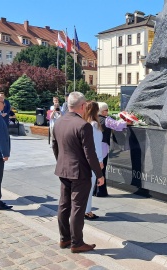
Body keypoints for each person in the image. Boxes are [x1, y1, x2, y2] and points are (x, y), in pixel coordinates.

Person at [52, 92, 104, 253]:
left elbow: (55, 146)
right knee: (78, 208)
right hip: (80, 172)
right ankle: (77, 242)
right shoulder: (83, 125)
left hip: (63, 169)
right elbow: (90, 153)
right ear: (82, 106)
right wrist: (99, 174)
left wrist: (61, 162)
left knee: (64, 205)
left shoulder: (59, 121)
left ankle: (64, 238)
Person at [96, 102, 129, 197]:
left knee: (96, 169)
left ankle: (95, 190)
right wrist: (128, 121)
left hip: (94, 146)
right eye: (106, 110)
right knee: (102, 169)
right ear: (102, 111)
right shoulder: (106, 120)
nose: (108, 112)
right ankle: (101, 191)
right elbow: (117, 125)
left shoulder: (94, 119)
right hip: (103, 147)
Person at [83, 101, 104, 220]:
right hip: (92, 159)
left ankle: (85, 209)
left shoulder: (85, 123)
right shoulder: (94, 125)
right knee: (89, 186)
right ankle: (87, 211)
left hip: (84, 159)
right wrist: (100, 161)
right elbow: (96, 146)